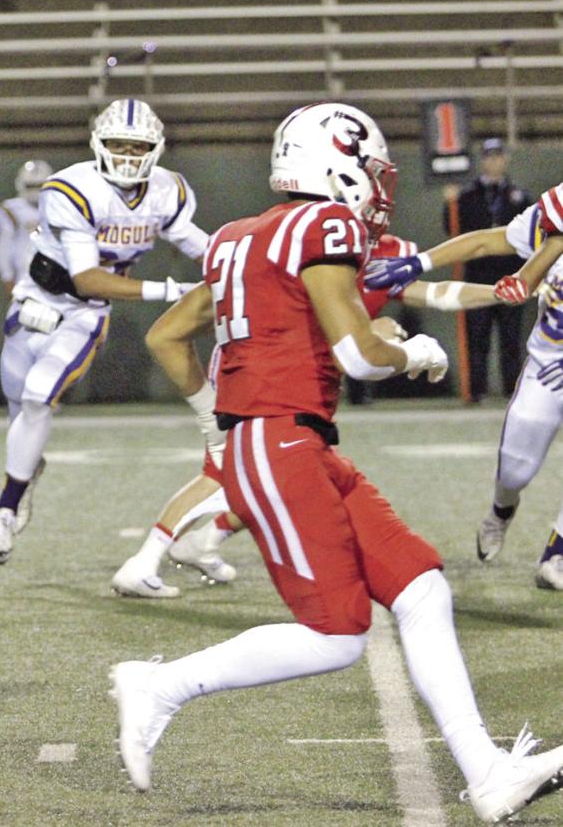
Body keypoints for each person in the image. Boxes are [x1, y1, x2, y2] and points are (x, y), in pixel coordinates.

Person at [111, 102, 563, 823]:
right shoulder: (327, 225)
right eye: (370, 170)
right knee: (337, 634)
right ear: (338, 162)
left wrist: (216, 420)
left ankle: (486, 772)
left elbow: (169, 336)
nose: (378, 187)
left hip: (289, 441)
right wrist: (413, 350)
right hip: (282, 439)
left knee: (420, 585)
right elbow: (358, 353)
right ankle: (161, 685)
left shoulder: (237, 237)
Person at [113, 231, 513, 598]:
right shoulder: (300, 241)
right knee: (226, 471)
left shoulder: (378, 249)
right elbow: (292, 318)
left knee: (288, 473)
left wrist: (500, 291)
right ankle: (144, 562)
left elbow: (436, 292)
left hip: (302, 379)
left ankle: (205, 540)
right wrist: (371, 330)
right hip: (258, 368)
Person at [0, 100, 206, 565]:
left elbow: (199, 244)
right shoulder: (72, 187)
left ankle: (5, 506)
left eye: (137, 146)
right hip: (37, 297)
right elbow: (86, 275)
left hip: (86, 313)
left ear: (156, 149)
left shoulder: (168, 192)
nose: (127, 155)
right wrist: (173, 289)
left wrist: (235, 263)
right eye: (118, 145)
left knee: (39, 396)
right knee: (19, 407)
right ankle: (24, 475)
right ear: (98, 145)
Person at [366, 184, 563, 590]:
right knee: (516, 464)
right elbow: (488, 243)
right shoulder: (549, 226)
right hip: (549, 361)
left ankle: (557, 550)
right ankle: (501, 510)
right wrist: (420, 261)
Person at [447, 137, 534, 401]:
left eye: (498, 156)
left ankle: (511, 389)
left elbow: (531, 234)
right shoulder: (467, 196)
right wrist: (449, 204)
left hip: (511, 274)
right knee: (478, 336)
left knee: (510, 338)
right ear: (483, 160)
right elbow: (452, 229)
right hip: (478, 274)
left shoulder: (519, 196)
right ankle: (476, 390)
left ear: (505, 159)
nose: (494, 161)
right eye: (489, 156)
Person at [0, 160, 53, 297]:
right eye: (31, 186)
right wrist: (7, 276)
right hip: (25, 277)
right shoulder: (10, 210)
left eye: (39, 185)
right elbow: (4, 246)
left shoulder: (61, 207)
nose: (35, 191)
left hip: (58, 276)